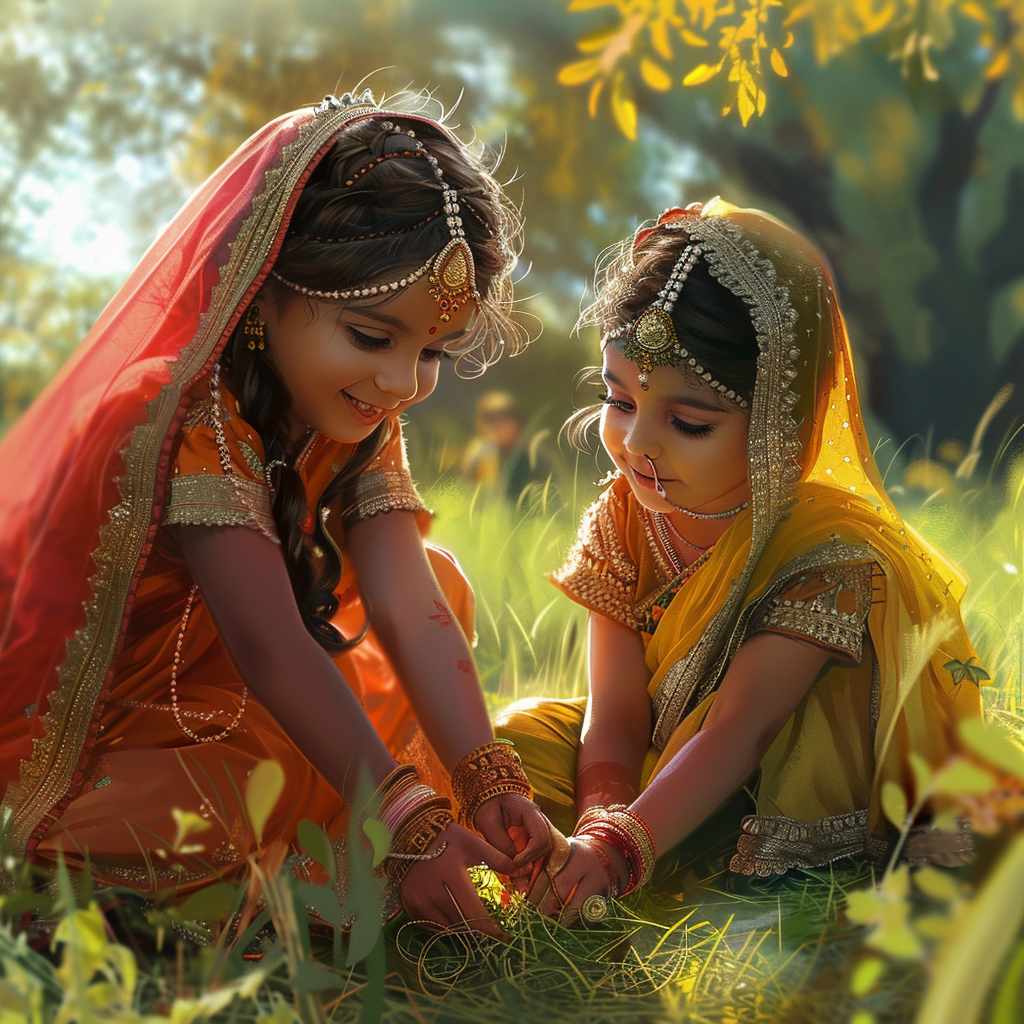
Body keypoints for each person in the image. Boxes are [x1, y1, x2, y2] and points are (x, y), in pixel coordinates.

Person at [0, 90, 551, 937]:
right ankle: (347, 855)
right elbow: (269, 646)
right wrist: (409, 821)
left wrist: (489, 779)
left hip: (248, 704)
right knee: (234, 794)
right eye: (372, 337)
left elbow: (411, 604)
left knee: (441, 585)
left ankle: (354, 838)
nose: (402, 382)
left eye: (432, 352)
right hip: (121, 730)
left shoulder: (362, 410)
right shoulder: (178, 411)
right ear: (263, 293)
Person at [497, 199, 988, 924]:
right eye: (618, 399)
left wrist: (612, 853)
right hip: (659, 758)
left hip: (758, 779)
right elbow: (618, 711)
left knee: (712, 767)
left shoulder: (826, 551)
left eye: (689, 422)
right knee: (515, 740)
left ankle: (671, 855)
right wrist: (595, 824)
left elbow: (739, 728)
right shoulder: (628, 511)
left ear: (783, 427)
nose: (637, 445)